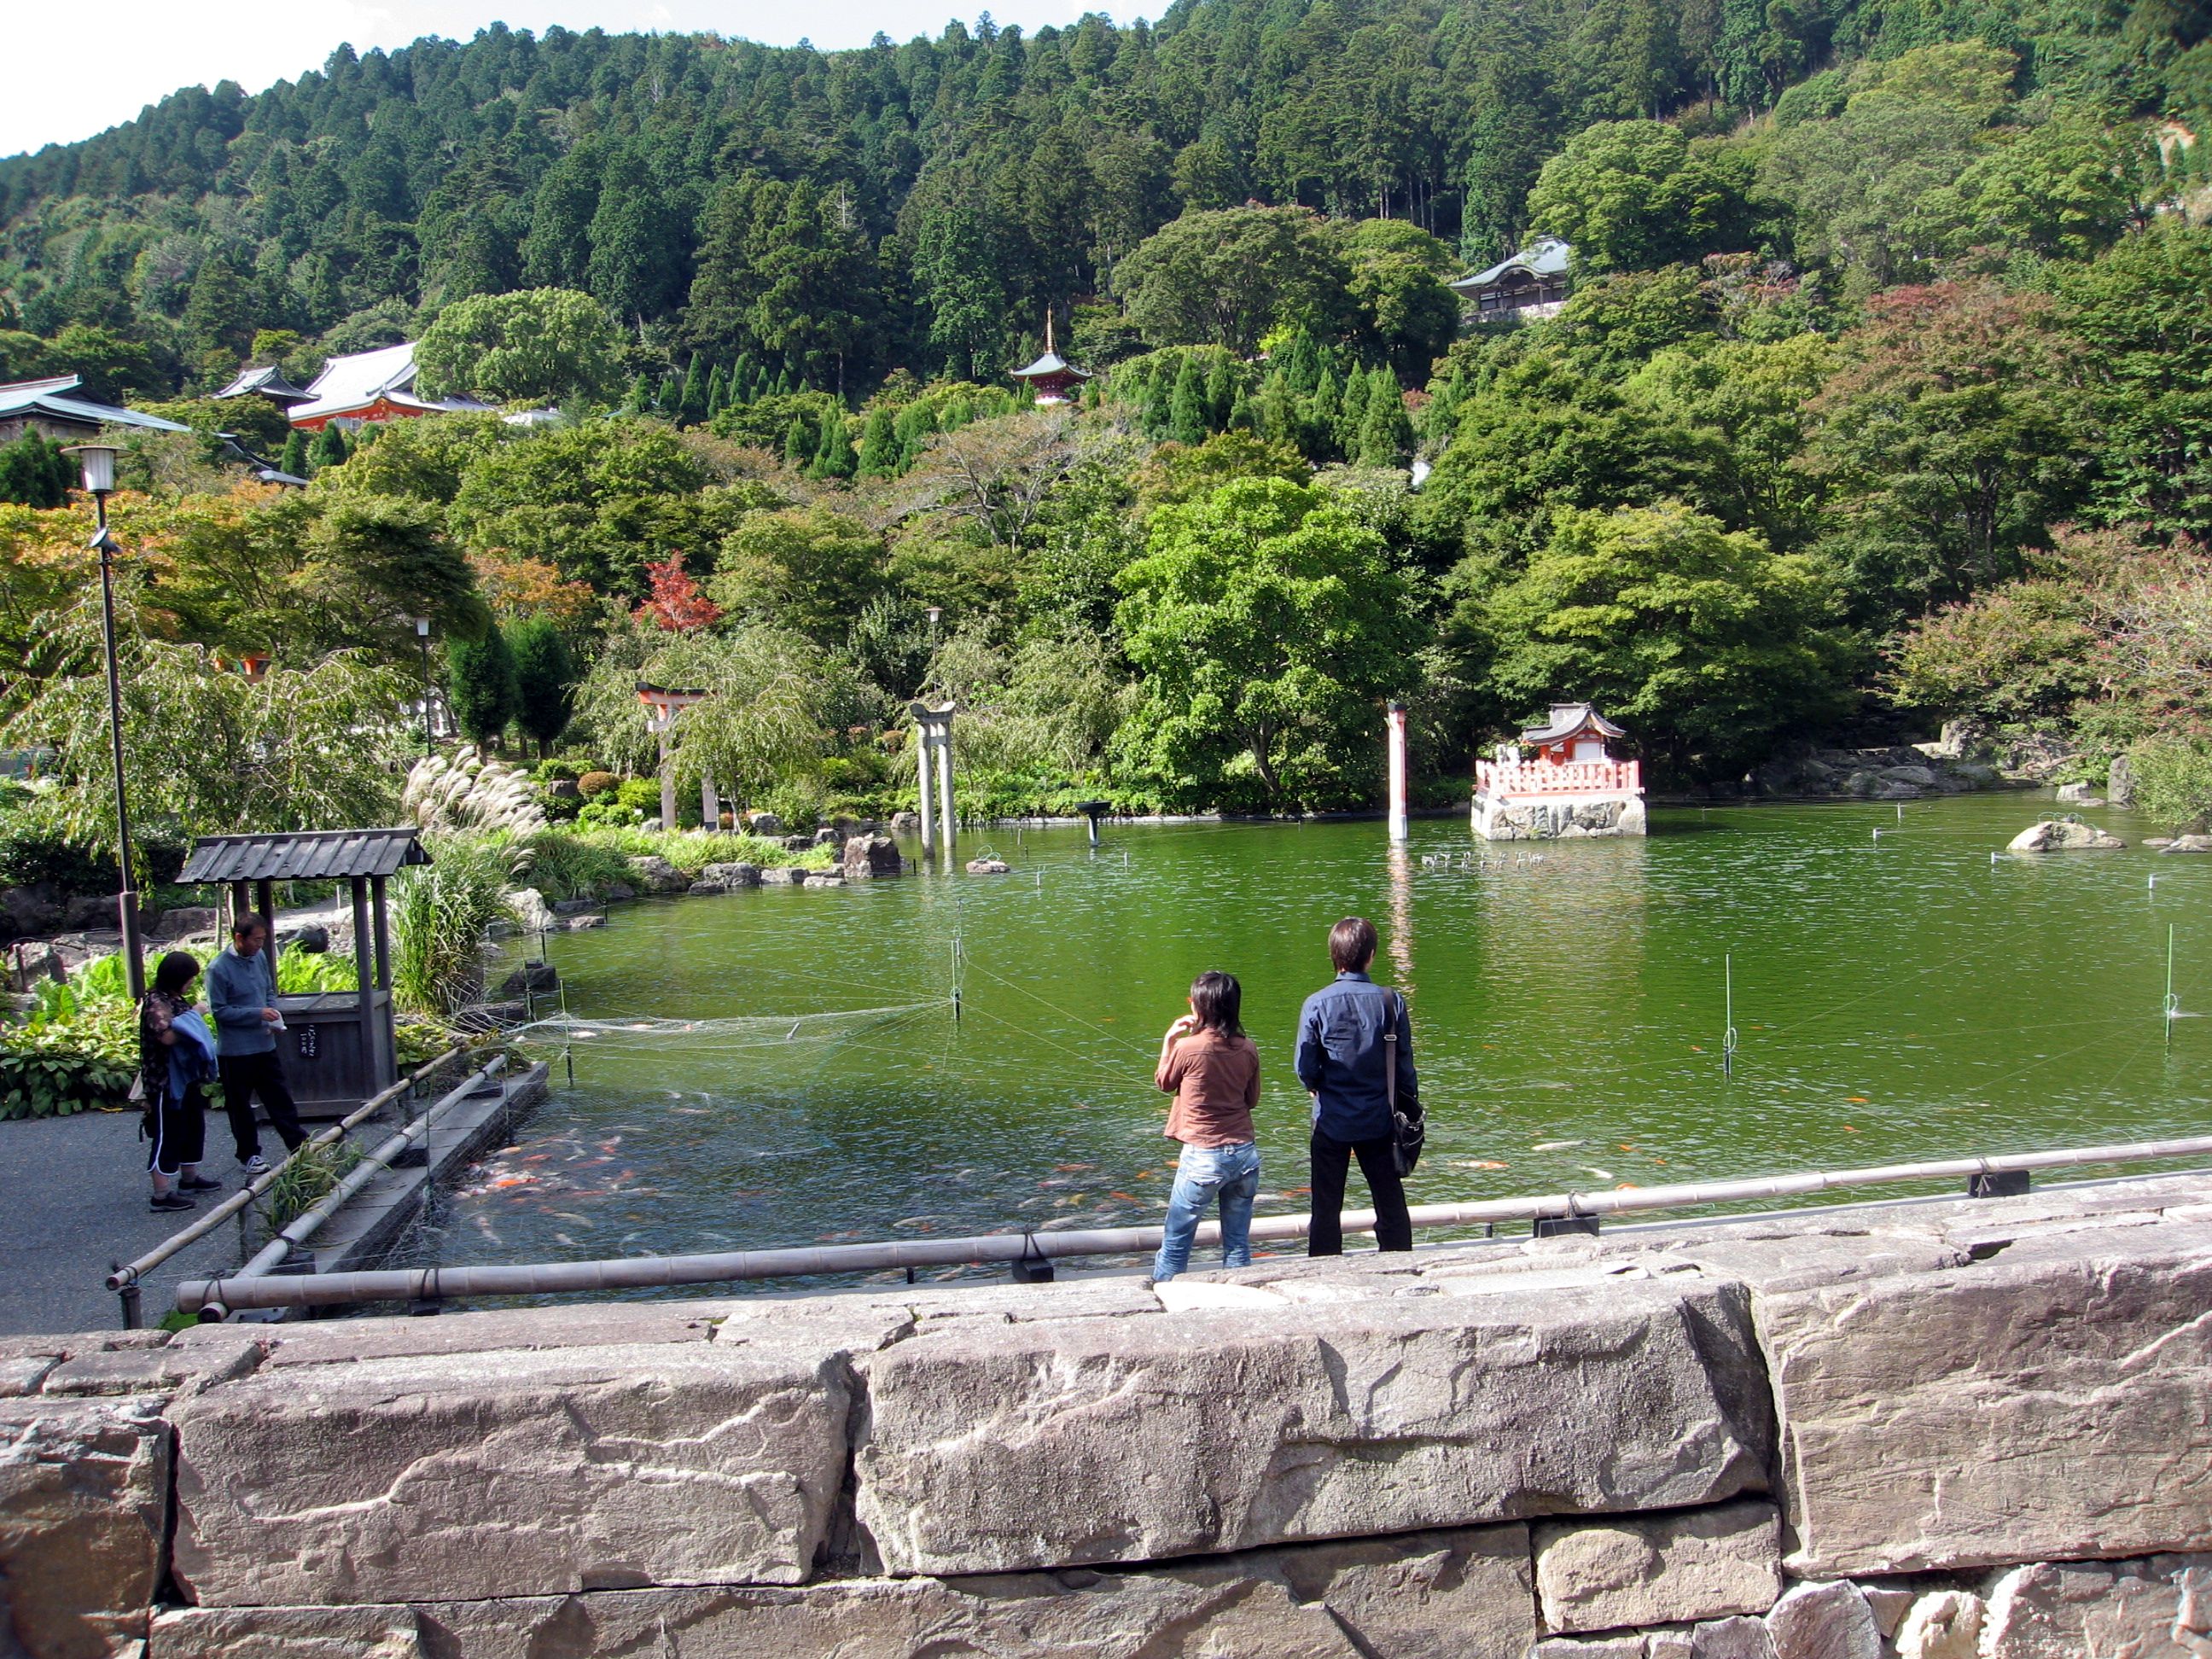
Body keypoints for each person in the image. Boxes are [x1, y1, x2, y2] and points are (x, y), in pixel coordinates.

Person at [1295, 916, 1417, 1256]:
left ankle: (1323, 1265)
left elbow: (1305, 1066)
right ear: (1372, 955)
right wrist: (1409, 1108)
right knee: (1389, 1198)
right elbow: (1404, 1065)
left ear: (1333, 956)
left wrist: (1314, 1085)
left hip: (1331, 1117)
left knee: (1326, 1204)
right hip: (1380, 1117)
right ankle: (1397, 1260)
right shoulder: (1391, 1001)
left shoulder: (1316, 1003)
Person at [1149, 970, 1262, 1283]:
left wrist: (1169, 1040)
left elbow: (1163, 1082)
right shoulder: (1249, 1048)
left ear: (1200, 1007)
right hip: (1245, 1154)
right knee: (1237, 1244)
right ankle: (1240, 1298)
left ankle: (1164, 1300)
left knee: (1176, 1243)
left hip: (1203, 1156)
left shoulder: (1187, 1047)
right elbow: (1252, 1100)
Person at [206, 912, 305, 1174]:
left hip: (264, 1044)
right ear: (239, 938)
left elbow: (268, 991)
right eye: (256, 940)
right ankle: (249, 1154)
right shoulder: (218, 969)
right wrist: (257, 1014)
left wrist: (273, 1015)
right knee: (240, 1106)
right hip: (235, 1051)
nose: (260, 945)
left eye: (263, 940)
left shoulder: (259, 958)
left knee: (280, 1099)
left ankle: (299, 1145)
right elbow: (220, 1012)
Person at [140, 951, 220, 1212]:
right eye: (188, 978)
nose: (191, 983)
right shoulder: (156, 1001)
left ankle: (189, 1179)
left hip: (186, 1075)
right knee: (168, 1133)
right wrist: (195, 1015)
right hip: (164, 1078)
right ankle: (161, 1194)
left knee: (192, 1127)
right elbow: (167, 1037)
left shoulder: (174, 998)